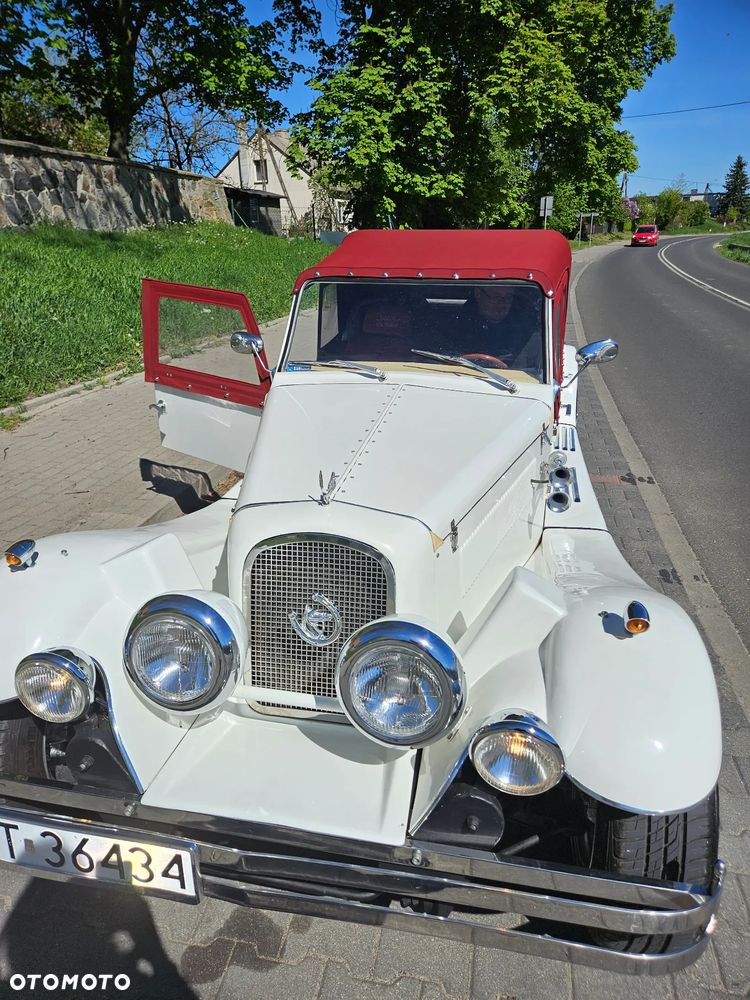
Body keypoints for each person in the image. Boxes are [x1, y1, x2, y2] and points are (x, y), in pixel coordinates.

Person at [451, 283, 543, 373]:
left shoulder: (527, 332)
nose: (502, 303)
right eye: (495, 296)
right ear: (478, 294)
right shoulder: (455, 325)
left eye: (508, 297)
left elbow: (532, 371)